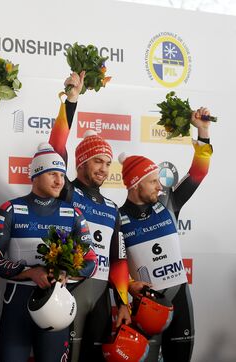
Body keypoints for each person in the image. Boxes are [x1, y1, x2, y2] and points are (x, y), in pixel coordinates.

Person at [0, 143, 97, 362]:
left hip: (57, 307)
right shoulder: (10, 209)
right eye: (52, 173)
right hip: (17, 307)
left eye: (62, 175)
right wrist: (30, 272)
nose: (59, 181)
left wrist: (67, 273)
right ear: (35, 175)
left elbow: (92, 261)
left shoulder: (73, 214)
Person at [118, 107, 213, 362]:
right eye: (153, 181)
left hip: (180, 301)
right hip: (146, 308)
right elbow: (112, 268)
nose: (160, 186)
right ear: (136, 184)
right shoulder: (117, 219)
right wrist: (128, 286)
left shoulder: (168, 203)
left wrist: (203, 131)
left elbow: (199, 172)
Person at [48, 72, 131, 361]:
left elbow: (119, 258)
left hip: (101, 298)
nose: (104, 169)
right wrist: (71, 100)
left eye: (108, 163)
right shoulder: (68, 192)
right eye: (98, 161)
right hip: (71, 290)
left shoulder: (111, 207)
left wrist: (122, 303)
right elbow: (56, 150)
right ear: (81, 162)